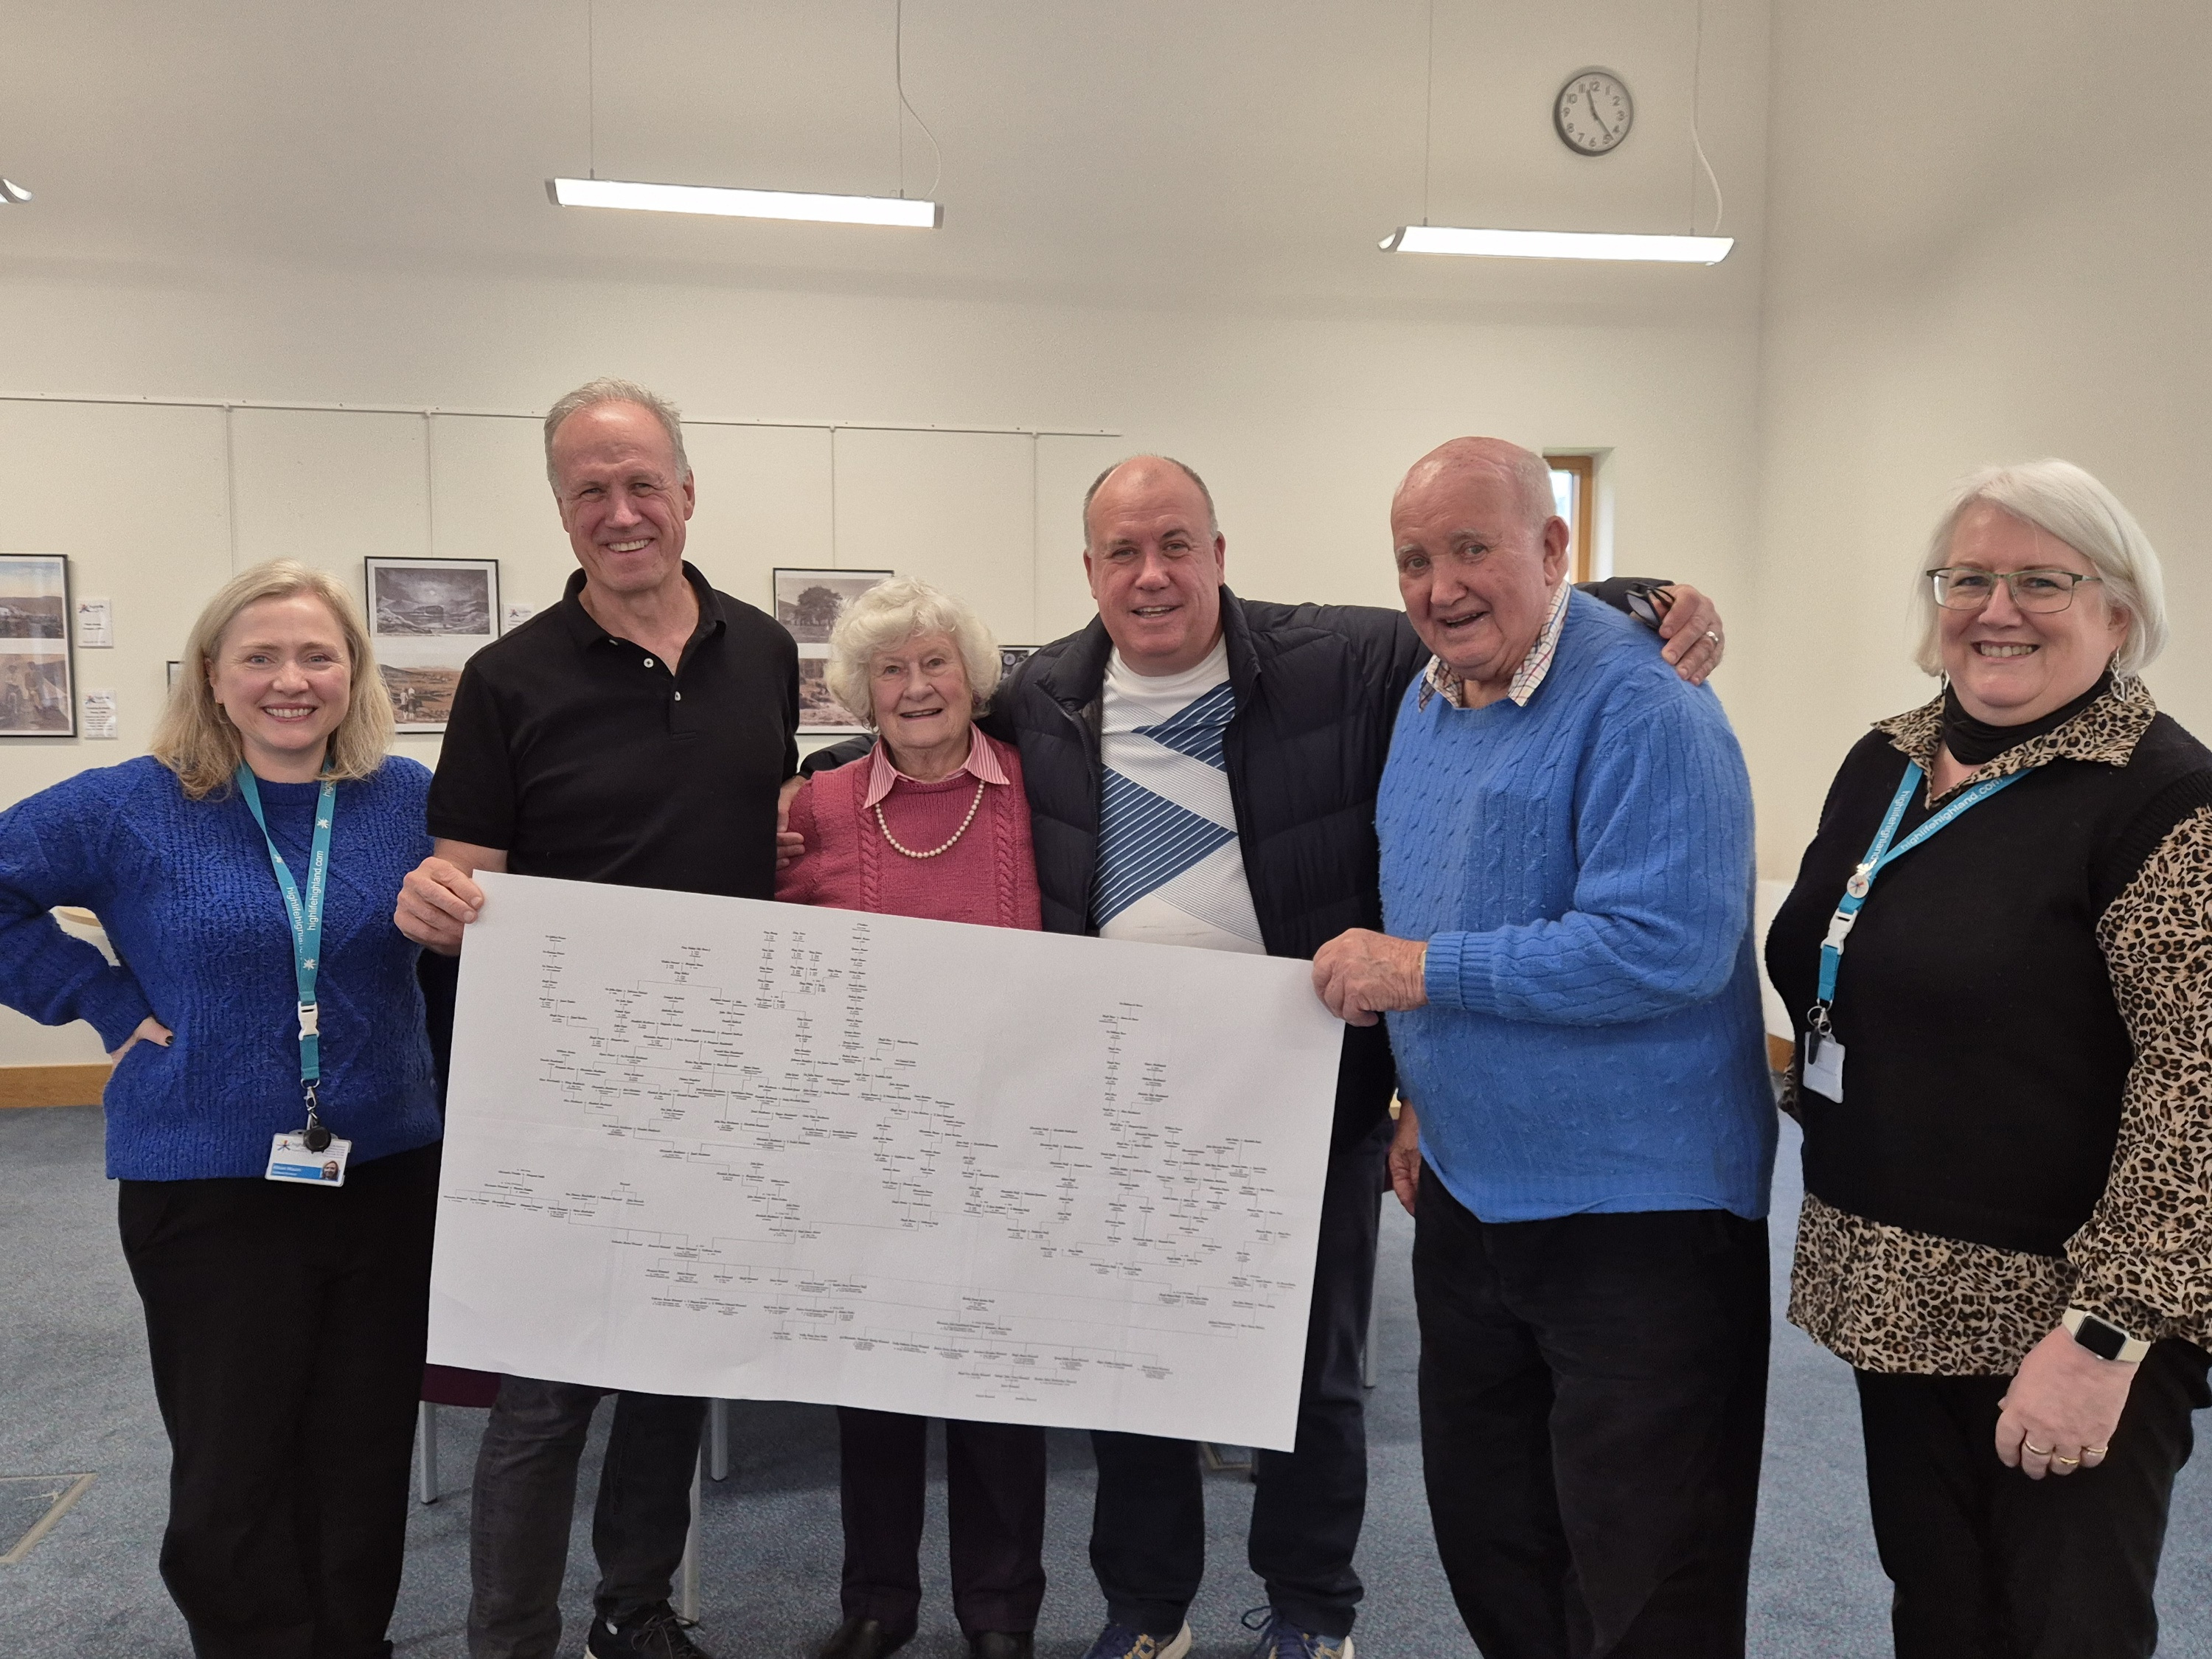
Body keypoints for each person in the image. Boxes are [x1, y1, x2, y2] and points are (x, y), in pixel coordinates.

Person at [799, 453, 1728, 1659]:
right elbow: (915, 750)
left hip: (1303, 1087)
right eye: (1123, 553)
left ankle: (1310, 1609)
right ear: (1089, 573)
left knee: (1312, 1374)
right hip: (1114, 1104)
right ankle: (1147, 1610)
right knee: (1128, 1361)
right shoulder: (1045, 698)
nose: (1152, 574)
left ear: (1219, 553)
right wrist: (804, 794)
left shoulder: (1341, 660)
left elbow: (1487, 604)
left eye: (1176, 544)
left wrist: (1648, 598)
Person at [1311, 437, 1775, 1659]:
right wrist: (1418, 1089)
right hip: (1473, 1198)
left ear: (1559, 548)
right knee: (1496, 1538)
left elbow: (1664, 944)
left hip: (1640, 1221)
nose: (1441, 585)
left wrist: (1412, 973)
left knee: (1645, 1575)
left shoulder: (1648, 701)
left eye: (1474, 547)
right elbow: (1449, 887)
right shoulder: (1425, 697)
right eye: (1417, 558)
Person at [1763, 460, 2212, 1659]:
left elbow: (2198, 1092)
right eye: (1969, 576)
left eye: (2041, 581)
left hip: (2059, 1318)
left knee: (2067, 1627)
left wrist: (2105, 1338)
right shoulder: (1892, 759)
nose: (1995, 607)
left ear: (2118, 611)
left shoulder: (2162, 800)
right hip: (1893, 1295)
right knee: (1944, 1612)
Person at [394, 378, 799, 1659]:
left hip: (724, 1086)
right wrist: (445, 903)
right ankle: (511, 1636)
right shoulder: (505, 678)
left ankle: (635, 1611)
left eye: (642, 484)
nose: (622, 512)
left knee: (679, 1369)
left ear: (687, 491)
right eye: (590, 492)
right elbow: (473, 873)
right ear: (562, 512)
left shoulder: (768, 651)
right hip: (558, 1102)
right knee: (543, 1393)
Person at [0, 560, 441, 1659]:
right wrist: (95, 997)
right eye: (261, 656)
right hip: (203, 1179)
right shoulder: (133, 803)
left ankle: (351, 1638)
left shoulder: (409, 800)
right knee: (234, 1453)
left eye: (317, 655)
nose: (291, 679)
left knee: (361, 1440)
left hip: (387, 1169)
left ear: (354, 673)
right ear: (212, 673)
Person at [778, 577, 1046, 1659]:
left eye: (936, 662)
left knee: (999, 1387)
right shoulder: (815, 809)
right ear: (860, 692)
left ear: (973, 676)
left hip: (1011, 1139)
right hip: (866, 1150)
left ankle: (999, 1610)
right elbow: (778, 959)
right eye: (891, 669)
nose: (917, 685)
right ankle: (879, 1602)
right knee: (874, 1386)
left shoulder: (1039, 790)